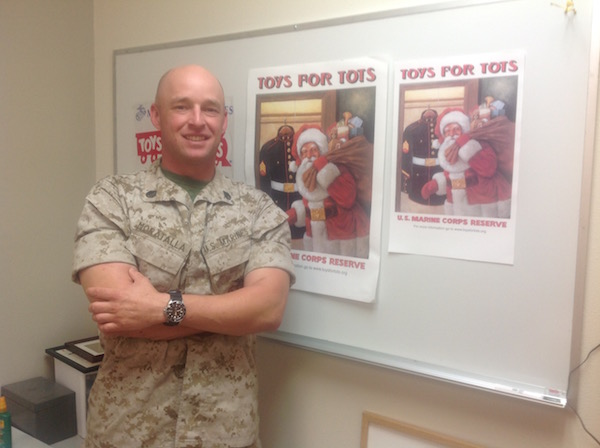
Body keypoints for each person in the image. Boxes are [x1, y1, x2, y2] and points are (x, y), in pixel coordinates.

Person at [72, 64, 295, 448]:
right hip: (128, 432)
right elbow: (120, 316)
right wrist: (232, 314)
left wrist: (162, 307)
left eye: (210, 109)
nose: (197, 121)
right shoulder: (112, 200)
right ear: (157, 115)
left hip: (226, 433)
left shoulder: (259, 211)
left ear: (223, 121)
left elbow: (267, 311)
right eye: (181, 107)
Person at [285, 125, 370, 258]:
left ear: (322, 150)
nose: (309, 156)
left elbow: (347, 199)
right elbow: (310, 204)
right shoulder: (305, 174)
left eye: (314, 150)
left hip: (341, 234)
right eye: (304, 152)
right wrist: (293, 214)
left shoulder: (336, 169)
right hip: (314, 235)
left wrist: (324, 169)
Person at [420, 107, 512, 218]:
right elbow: (452, 176)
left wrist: (467, 149)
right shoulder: (448, 151)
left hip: (481, 204)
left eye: (456, 129)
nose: (452, 134)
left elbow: (488, 169)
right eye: (447, 131)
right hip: (456, 205)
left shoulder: (478, 145)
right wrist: (437, 184)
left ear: (463, 130)